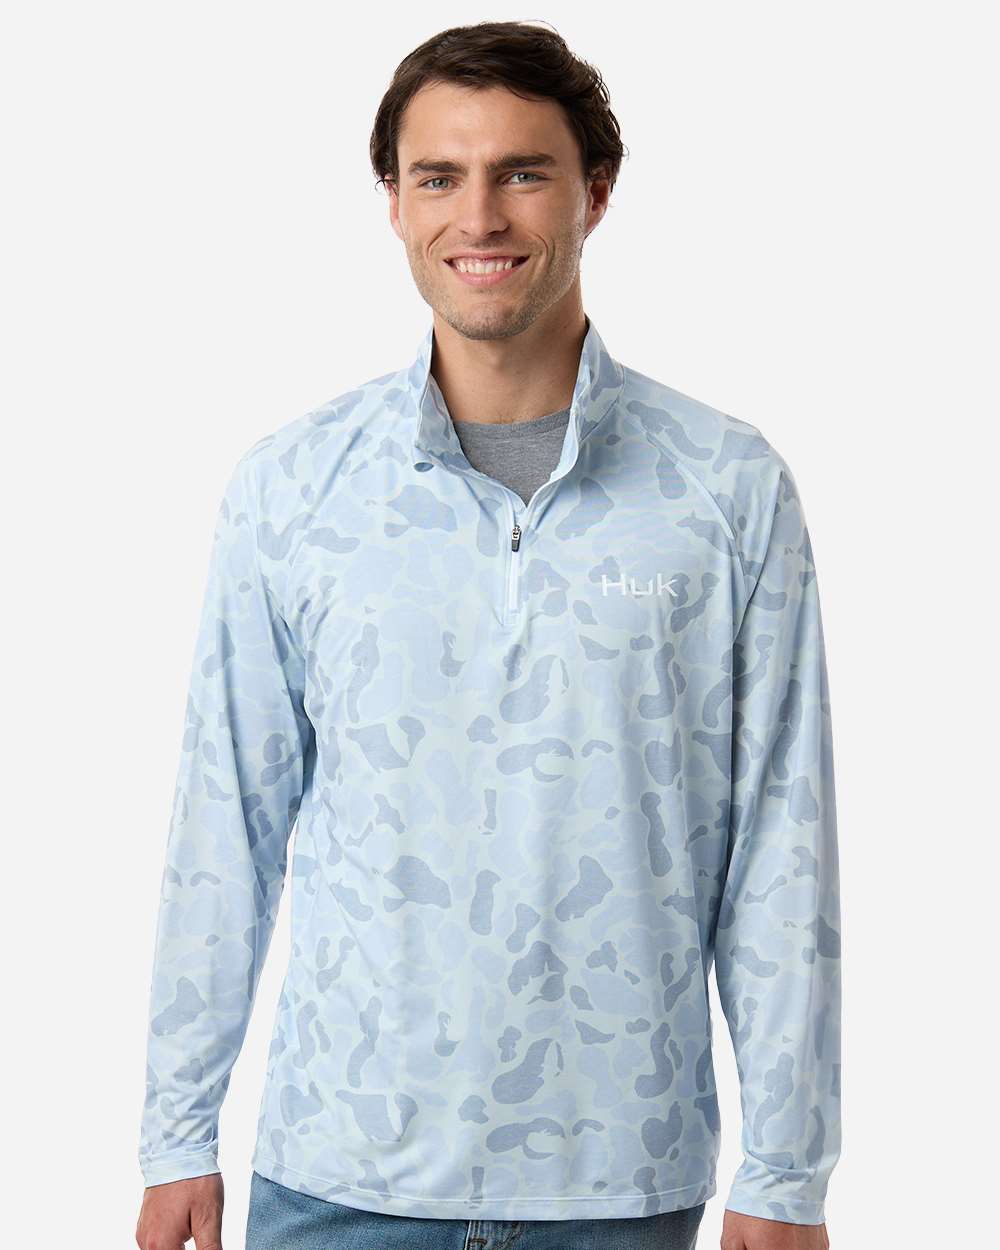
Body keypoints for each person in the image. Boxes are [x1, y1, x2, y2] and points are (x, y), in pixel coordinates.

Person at [135, 20, 842, 1250]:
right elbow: (223, 822)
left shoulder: (725, 489)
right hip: (340, 1173)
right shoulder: (292, 488)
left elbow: (781, 845)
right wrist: (175, 1130)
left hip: (620, 1182)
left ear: (594, 192)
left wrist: (785, 1171)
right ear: (393, 203)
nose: (480, 216)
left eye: (522, 172)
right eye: (438, 177)